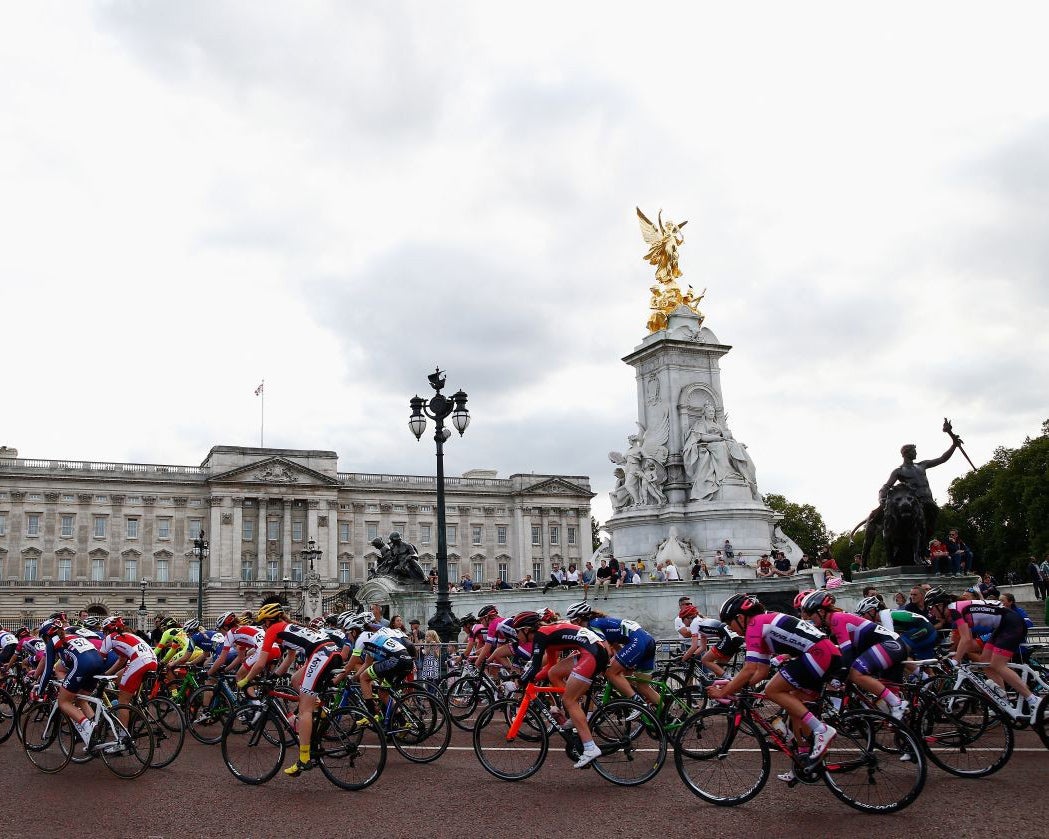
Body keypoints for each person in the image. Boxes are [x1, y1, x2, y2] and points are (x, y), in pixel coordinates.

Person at [707, 594, 840, 765]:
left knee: (772, 690)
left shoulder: (755, 624)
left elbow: (748, 670)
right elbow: (761, 671)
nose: (731, 629)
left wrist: (723, 692)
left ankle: (821, 729)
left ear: (740, 617)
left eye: (729, 623)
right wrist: (734, 686)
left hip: (818, 654)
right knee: (794, 705)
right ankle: (804, 759)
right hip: (825, 654)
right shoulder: (762, 623)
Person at [511, 610, 611, 768]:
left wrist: (518, 682)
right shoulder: (547, 634)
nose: (516, 636)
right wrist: (532, 679)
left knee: (569, 700)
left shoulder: (540, 635)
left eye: (517, 632)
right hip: (594, 651)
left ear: (526, 629)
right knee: (554, 673)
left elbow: (535, 665)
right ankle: (574, 714)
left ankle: (590, 747)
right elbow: (549, 666)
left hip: (592, 654)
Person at [925, 588, 1040, 723]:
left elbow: (966, 639)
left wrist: (956, 660)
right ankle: (1002, 700)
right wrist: (953, 653)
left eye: (931, 607)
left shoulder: (954, 610)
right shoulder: (955, 609)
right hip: (1002, 626)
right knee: (985, 661)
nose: (930, 612)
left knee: (997, 664)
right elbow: (963, 640)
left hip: (1010, 624)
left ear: (940, 605)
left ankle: (1033, 700)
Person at [800, 590, 909, 720]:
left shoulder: (836, 619)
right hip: (891, 646)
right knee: (893, 714)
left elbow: (847, 654)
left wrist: (839, 676)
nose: (808, 618)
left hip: (890, 645)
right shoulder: (831, 623)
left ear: (821, 612)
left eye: (810, 614)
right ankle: (904, 727)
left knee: (855, 673)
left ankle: (898, 704)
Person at [860, 435, 960, 564]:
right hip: (915, 504)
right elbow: (885, 487)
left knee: (928, 531)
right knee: (919, 529)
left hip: (929, 503)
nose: (916, 453)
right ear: (906, 453)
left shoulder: (922, 465)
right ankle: (916, 556)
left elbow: (942, 458)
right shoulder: (899, 471)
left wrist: (954, 445)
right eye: (914, 451)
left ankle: (919, 553)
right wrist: (881, 498)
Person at [566, 601, 660, 707]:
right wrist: (626, 663)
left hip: (638, 641)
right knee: (643, 686)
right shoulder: (600, 622)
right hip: (647, 641)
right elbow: (617, 648)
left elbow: (607, 652)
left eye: (572, 621)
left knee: (610, 673)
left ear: (579, 619)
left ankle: (638, 705)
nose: (572, 624)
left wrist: (600, 667)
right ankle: (666, 714)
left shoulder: (592, 626)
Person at [35, 619, 107, 749]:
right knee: (80, 700)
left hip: (83, 665)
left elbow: (47, 669)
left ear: (46, 636)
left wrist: (39, 691)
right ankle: (96, 728)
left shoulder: (52, 642)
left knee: (64, 702)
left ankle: (88, 727)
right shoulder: (74, 635)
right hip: (98, 664)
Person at [855, 596, 939, 665]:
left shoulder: (885, 615)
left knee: (896, 652)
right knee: (926, 668)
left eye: (862, 614)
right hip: (928, 630)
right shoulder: (886, 614)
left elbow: (890, 640)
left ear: (872, 611)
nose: (861, 618)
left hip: (923, 630)